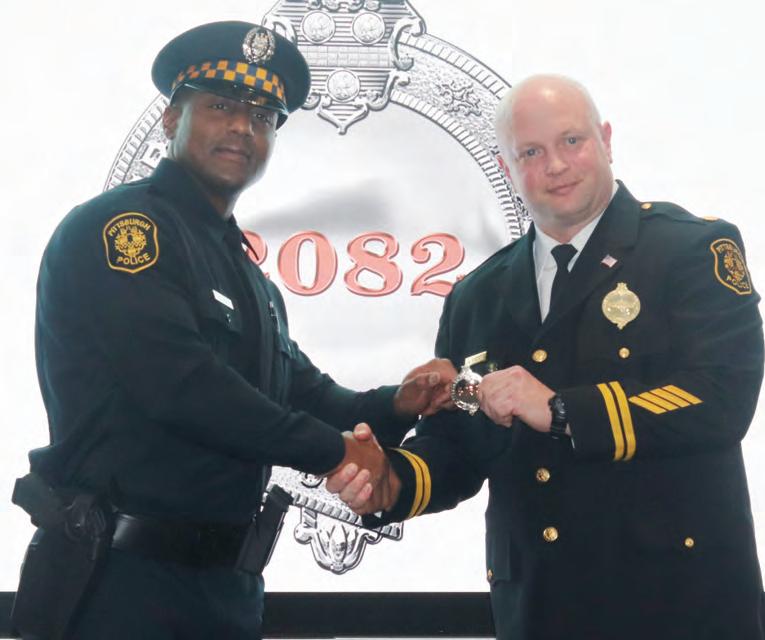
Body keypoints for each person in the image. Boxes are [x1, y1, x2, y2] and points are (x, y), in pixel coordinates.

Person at [12, 20, 455, 640]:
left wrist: (394, 405)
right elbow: (181, 387)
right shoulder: (125, 230)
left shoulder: (247, 273)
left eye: (263, 117)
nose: (243, 128)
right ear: (172, 119)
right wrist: (336, 453)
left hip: (224, 590)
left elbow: (303, 392)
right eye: (221, 107)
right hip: (119, 583)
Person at [328, 74, 765, 639]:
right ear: (507, 168)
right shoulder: (477, 294)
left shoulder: (689, 248)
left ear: (606, 141)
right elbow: (459, 443)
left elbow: (722, 400)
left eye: (571, 141)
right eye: (531, 153)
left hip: (675, 603)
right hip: (538, 607)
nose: (556, 165)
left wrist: (563, 410)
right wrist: (393, 480)